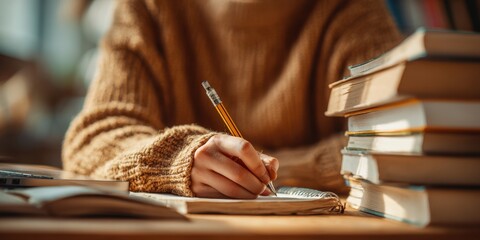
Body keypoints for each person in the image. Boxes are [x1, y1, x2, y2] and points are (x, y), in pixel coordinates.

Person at [62, 0, 401, 199]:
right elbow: (93, 140)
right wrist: (178, 159)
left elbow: (403, 137)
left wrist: (268, 172)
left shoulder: (355, 11)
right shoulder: (148, 8)